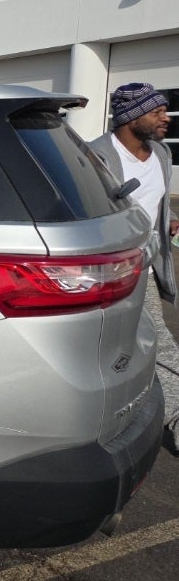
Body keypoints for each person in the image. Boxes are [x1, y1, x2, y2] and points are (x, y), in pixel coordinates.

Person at [89, 82, 179, 451]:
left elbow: (155, 200)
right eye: (156, 112)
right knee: (139, 343)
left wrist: (167, 221)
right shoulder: (95, 156)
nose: (165, 118)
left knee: (154, 339)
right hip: (112, 272)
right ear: (131, 117)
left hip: (147, 265)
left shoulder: (161, 153)